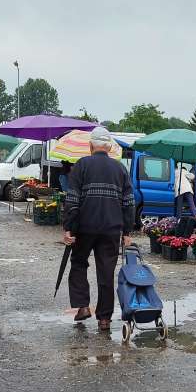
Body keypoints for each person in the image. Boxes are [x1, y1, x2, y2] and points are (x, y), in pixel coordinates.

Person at [63, 127, 135, 331]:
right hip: (111, 230)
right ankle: (104, 319)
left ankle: (84, 306)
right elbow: (129, 202)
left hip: (84, 227)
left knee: (78, 263)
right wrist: (128, 232)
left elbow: (72, 199)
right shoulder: (120, 169)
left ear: (90, 146)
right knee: (106, 272)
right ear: (110, 147)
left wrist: (69, 227)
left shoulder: (82, 165)